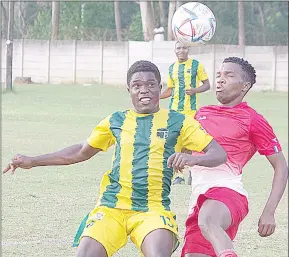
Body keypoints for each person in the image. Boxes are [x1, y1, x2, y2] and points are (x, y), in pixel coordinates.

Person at [3, 60, 227, 257]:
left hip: (153, 209)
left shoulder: (179, 122)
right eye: (137, 86)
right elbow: (80, 151)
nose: (144, 90)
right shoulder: (116, 121)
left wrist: (192, 160)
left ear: (160, 88)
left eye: (150, 84)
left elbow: (218, 153)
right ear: (129, 90)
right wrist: (33, 161)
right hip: (112, 207)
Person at [181, 57, 288, 257]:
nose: (220, 80)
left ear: (244, 86)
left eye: (229, 75)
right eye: (219, 75)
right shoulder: (202, 113)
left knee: (209, 221)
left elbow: (281, 165)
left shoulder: (252, 119)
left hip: (228, 193)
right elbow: (188, 148)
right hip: (198, 198)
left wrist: (269, 211)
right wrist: (181, 157)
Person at [160, 40, 211, 185]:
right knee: (175, 141)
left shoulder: (196, 65)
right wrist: (156, 97)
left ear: (188, 50)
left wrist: (195, 90)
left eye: (184, 48)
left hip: (191, 111)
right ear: (175, 51)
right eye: (178, 48)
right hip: (174, 111)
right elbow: (170, 90)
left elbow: (207, 85)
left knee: (190, 143)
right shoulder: (171, 68)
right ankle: (178, 175)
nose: (181, 50)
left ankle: (192, 172)